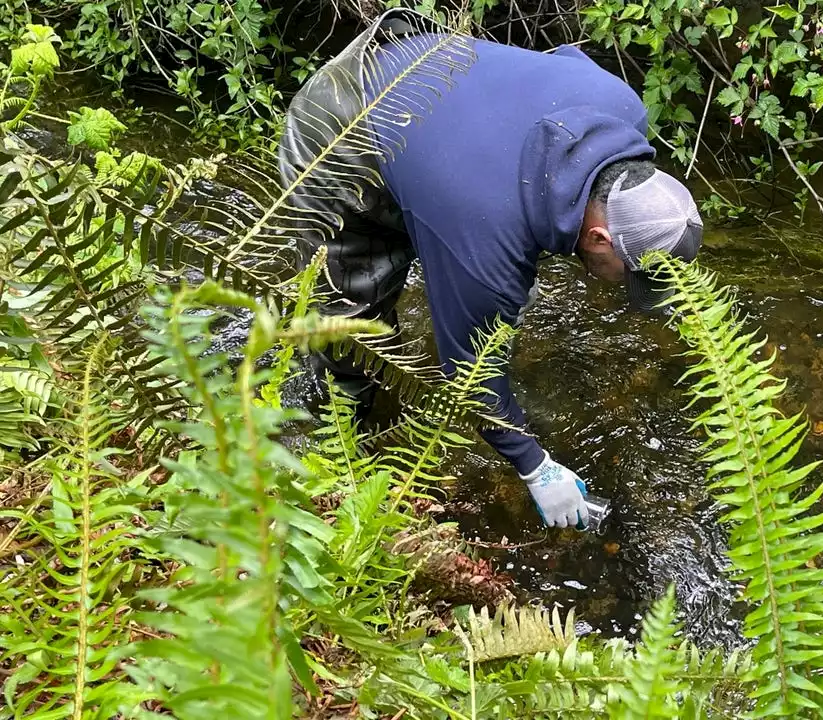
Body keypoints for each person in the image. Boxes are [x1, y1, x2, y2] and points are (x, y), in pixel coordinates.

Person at [277, 9, 703, 530]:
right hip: (346, 117)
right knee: (351, 306)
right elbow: (469, 376)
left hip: (437, 75)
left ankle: (422, 199)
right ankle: (339, 440)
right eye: (628, 273)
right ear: (599, 238)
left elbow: (559, 64)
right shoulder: (488, 227)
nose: (623, 286)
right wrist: (535, 466)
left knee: (477, 275)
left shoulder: (624, 110)